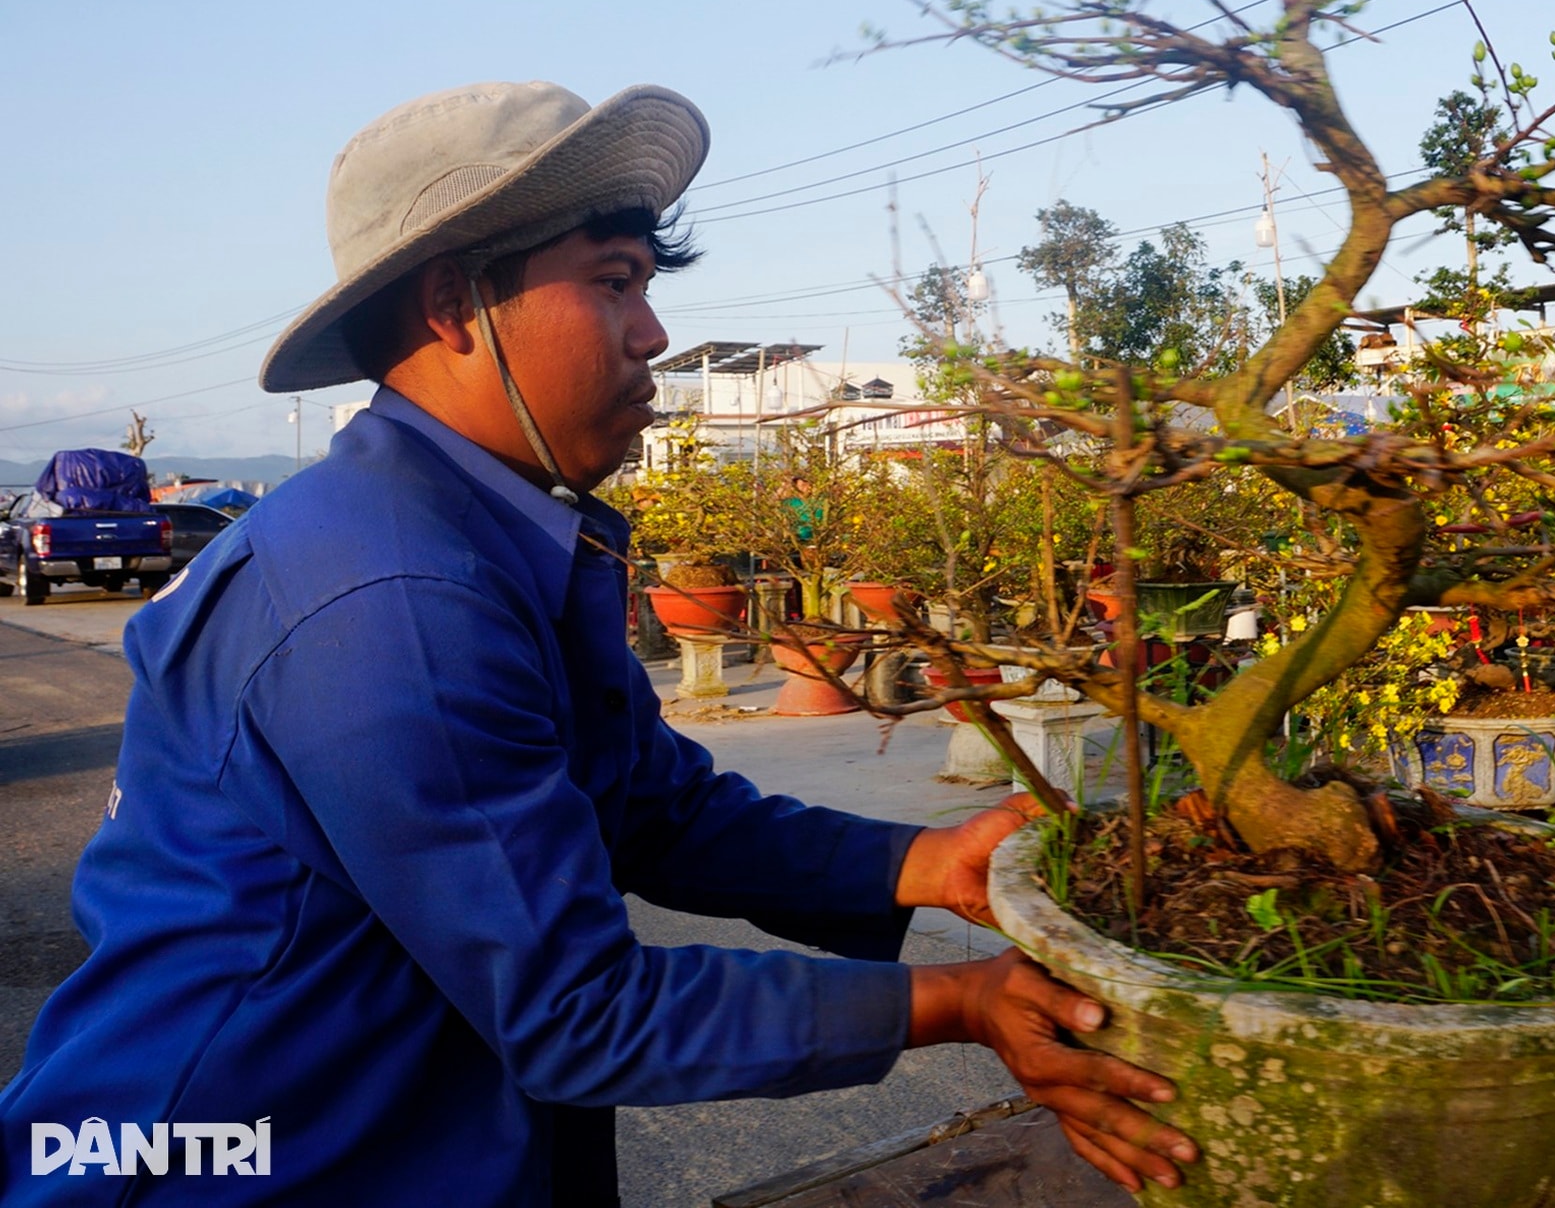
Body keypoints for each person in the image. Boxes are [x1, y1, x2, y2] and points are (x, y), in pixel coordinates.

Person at [0, 81, 1194, 1205]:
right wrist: (960, 1004)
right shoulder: (387, 594)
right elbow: (577, 1009)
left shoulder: (485, 536)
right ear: (456, 305)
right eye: (615, 281)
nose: (654, 331)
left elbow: (649, 809)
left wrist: (928, 866)